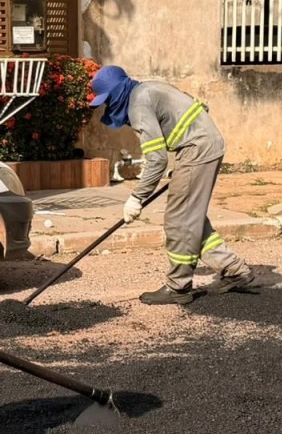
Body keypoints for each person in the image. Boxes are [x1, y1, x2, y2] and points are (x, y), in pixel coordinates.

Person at [89, 65, 256, 304]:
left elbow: (156, 159)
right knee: (191, 217)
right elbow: (201, 108)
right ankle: (233, 269)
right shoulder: (150, 88)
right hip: (203, 145)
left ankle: (178, 286)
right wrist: (182, 152)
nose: (108, 106)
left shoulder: (138, 105)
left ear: (116, 93)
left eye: (108, 100)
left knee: (178, 220)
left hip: (196, 150)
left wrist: (137, 197)